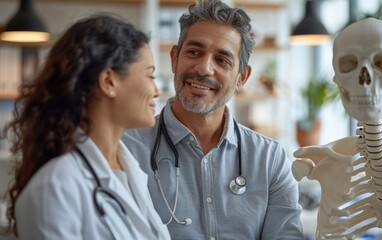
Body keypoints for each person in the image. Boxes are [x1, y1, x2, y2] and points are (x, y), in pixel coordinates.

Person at [122, 0, 305, 239]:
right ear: (174, 59)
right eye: (194, 52)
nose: (204, 68)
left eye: (222, 60)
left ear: (242, 77)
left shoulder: (270, 160)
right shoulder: (126, 149)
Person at [4, 14, 171, 240]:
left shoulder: (130, 169)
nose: (157, 90)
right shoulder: (55, 188)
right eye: (150, 75)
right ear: (109, 82)